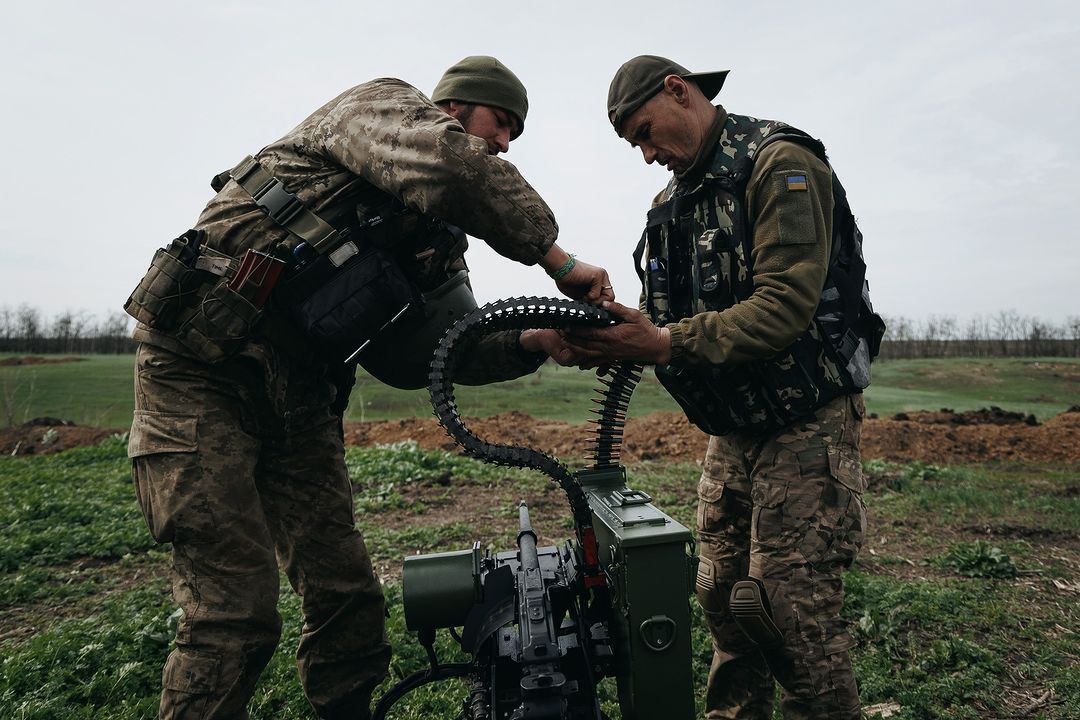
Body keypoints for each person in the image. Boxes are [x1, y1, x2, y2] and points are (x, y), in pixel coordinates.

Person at [124, 55, 612, 720]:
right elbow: (460, 168)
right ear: (455, 106)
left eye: (513, 138)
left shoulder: (433, 241)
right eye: (503, 124)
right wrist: (562, 263)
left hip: (299, 398)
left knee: (345, 596)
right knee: (233, 615)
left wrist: (536, 342)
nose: (504, 144)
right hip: (200, 371)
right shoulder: (379, 109)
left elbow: (436, 351)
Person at [561, 55, 884, 719]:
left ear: (680, 92)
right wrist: (612, 336)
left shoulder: (780, 164)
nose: (647, 155)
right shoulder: (669, 205)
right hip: (734, 424)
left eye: (647, 133)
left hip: (806, 414)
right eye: (634, 145)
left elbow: (786, 306)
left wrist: (665, 342)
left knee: (788, 607)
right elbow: (664, 319)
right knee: (722, 594)